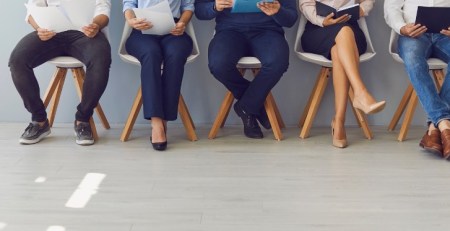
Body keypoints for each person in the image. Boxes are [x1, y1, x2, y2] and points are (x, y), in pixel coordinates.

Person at [9, 0, 111, 146]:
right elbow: (31, 11)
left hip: (85, 34)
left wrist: (96, 25)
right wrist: (39, 29)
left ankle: (83, 119)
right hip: (51, 34)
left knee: (101, 60)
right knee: (17, 61)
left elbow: (103, 9)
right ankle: (39, 121)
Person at [195, 0, 298, 139]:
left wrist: (279, 11)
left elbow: (291, 18)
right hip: (229, 30)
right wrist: (214, 6)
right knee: (218, 64)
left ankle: (246, 107)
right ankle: (255, 106)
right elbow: (200, 11)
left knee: (278, 62)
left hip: (268, 31)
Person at [299, 0, 385, 148]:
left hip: (351, 30)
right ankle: (359, 92)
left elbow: (369, 1)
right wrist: (322, 21)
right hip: (318, 29)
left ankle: (339, 121)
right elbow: (305, 4)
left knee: (339, 46)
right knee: (341, 37)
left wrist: (361, 10)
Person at [123, 0, 194, 151]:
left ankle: (165, 120)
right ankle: (156, 122)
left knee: (175, 54)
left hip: (173, 29)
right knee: (151, 53)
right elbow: (128, 4)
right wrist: (131, 20)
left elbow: (188, 6)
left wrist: (182, 23)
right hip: (142, 29)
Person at [385, 0, 450, 159]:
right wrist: (402, 27)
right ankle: (444, 124)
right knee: (413, 60)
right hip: (413, 34)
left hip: (445, 35)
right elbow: (391, 7)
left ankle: (435, 129)